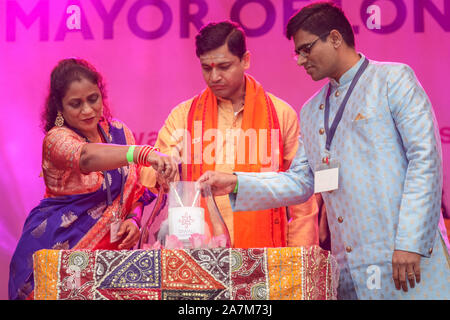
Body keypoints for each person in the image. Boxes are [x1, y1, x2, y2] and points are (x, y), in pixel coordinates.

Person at [198, 2, 450, 299]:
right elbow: (302, 181)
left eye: (305, 49)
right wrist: (236, 182)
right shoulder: (313, 109)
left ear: (334, 38)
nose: (300, 60)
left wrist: (410, 242)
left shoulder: (392, 80)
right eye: (297, 52)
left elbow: (426, 162)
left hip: (407, 257)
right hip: (351, 267)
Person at [9, 58, 177, 300]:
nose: (87, 110)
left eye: (93, 99)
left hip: (112, 259)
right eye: (75, 104)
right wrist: (141, 153)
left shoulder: (119, 132)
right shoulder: (56, 139)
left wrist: (134, 220)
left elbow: (136, 190)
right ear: (60, 107)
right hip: (62, 256)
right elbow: (85, 157)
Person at [140, 21, 319, 248]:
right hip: (200, 253)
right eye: (207, 68)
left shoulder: (281, 115)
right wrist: (163, 166)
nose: (214, 76)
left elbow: (302, 198)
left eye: (223, 66)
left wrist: (298, 256)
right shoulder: (183, 116)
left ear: (245, 60)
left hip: (265, 254)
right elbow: (151, 177)